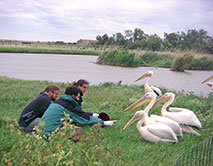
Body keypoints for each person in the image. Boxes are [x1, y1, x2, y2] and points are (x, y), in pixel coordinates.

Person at [39, 86, 115, 141]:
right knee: (79, 131)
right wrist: (104, 123)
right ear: (73, 96)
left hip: (40, 132)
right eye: (78, 97)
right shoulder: (66, 106)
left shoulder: (57, 103)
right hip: (49, 135)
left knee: (70, 126)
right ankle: (68, 146)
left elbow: (78, 113)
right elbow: (82, 117)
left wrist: (92, 114)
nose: (79, 99)